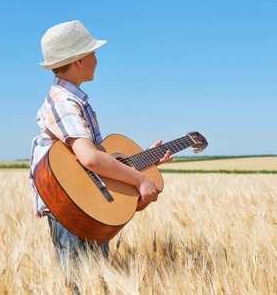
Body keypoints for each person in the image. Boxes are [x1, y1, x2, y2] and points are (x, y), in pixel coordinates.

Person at [29, 20, 173, 266]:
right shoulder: (64, 102)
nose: (97, 58)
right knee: (78, 286)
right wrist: (139, 179)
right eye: (93, 53)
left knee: (93, 282)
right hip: (72, 207)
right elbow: (90, 158)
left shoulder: (72, 99)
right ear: (79, 60)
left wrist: (143, 160)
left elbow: (93, 160)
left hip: (89, 207)